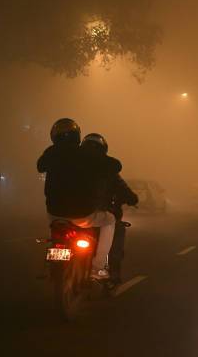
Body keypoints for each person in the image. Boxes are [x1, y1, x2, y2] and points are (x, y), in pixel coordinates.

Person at [37, 118, 117, 279]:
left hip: (54, 213)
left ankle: (53, 262)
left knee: (56, 231)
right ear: (77, 135)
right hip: (83, 214)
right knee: (110, 221)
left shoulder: (51, 152)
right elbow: (116, 165)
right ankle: (97, 267)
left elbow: (40, 166)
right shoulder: (86, 153)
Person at [80, 133, 138, 288]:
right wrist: (133, 199)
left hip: (69, 213)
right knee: (115, 229)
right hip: (96, 215)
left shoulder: (73, 165)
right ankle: (109, 274)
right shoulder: (108, 168)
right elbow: (123, 189)